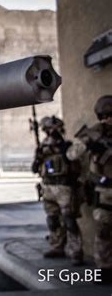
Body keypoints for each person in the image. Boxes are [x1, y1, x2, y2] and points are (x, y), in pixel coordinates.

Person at [67, 95, 112, 284]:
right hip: (104, 191)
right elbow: (71, 155)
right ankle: (105, 268)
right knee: (104, 230)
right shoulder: (94, 133)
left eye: (109, 115)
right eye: (104, 116)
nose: (107, 119)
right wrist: (88, 145)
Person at [31, 116, 83, 265]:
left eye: (53, 131)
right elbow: (35, 168)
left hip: (64, 187)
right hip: (48, 187)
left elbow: (73, 164)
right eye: (48, 131)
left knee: (69, 220)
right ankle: (57, 246)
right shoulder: (42, 148)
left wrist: (59, 146)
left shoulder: (66, 146)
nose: (50, 134)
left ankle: (76, 251)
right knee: (52, 219)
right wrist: (39, 157)